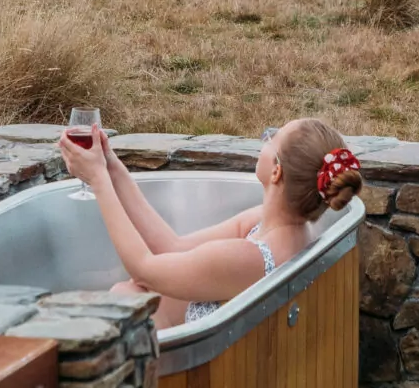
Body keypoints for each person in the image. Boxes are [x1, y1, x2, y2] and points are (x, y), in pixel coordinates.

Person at [59, 117, 363, 330]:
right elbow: (172, 247)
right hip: (201, 354)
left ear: (276, 171)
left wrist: (98, 181)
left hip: (192, 382)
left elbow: (145, 267)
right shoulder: (280, 227)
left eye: (272, 137)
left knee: (124, 298)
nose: (265, 139)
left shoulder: (250, 258)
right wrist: (113, 168)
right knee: (129, 293)